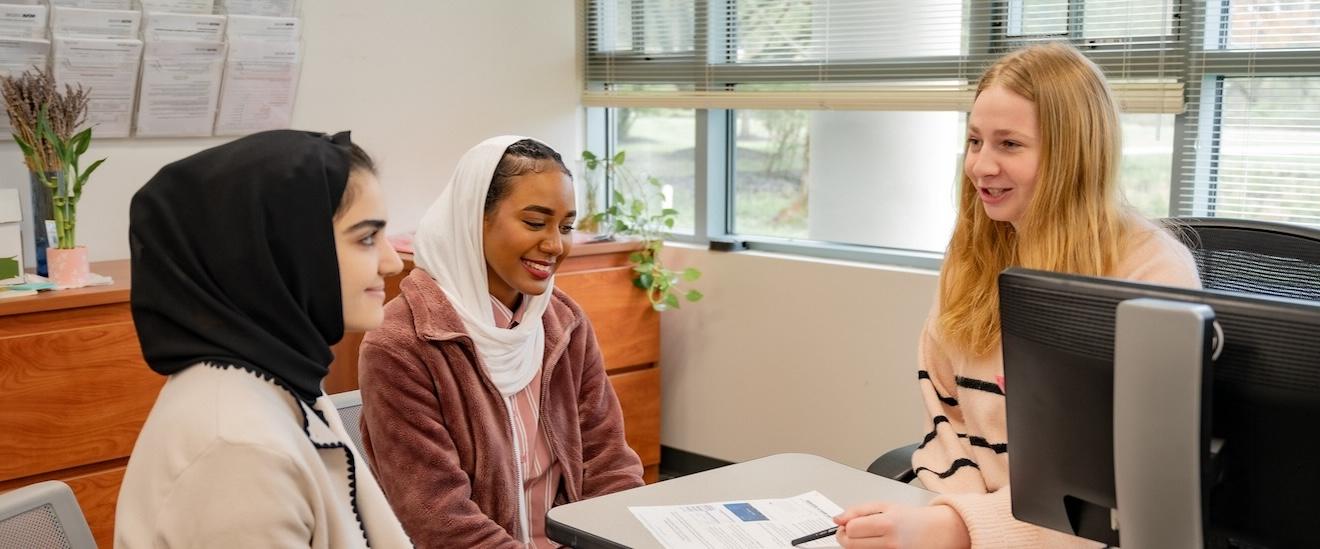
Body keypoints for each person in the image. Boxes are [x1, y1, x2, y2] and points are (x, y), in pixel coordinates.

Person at [834, 43, 1201, 548]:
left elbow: (1130, 489)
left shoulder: (1151, 275)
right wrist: (954, 517)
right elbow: (947, 422)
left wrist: (962, 529)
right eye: (975, 140)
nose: (980, 166)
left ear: (1073, 156)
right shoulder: (972, 256)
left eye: (1009, 144)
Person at [115, 130, 411, 548]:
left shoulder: (279, 378)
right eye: (366, 238)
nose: (393, 261)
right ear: (283, 250)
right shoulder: (237, 452)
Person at [358, 136, 644, 548]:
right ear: (475, 218)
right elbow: (438, 518)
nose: (555, 245)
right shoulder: (402, 343)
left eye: (565, 227)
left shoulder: (564, 324)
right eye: (534, 222)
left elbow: (609, 464)